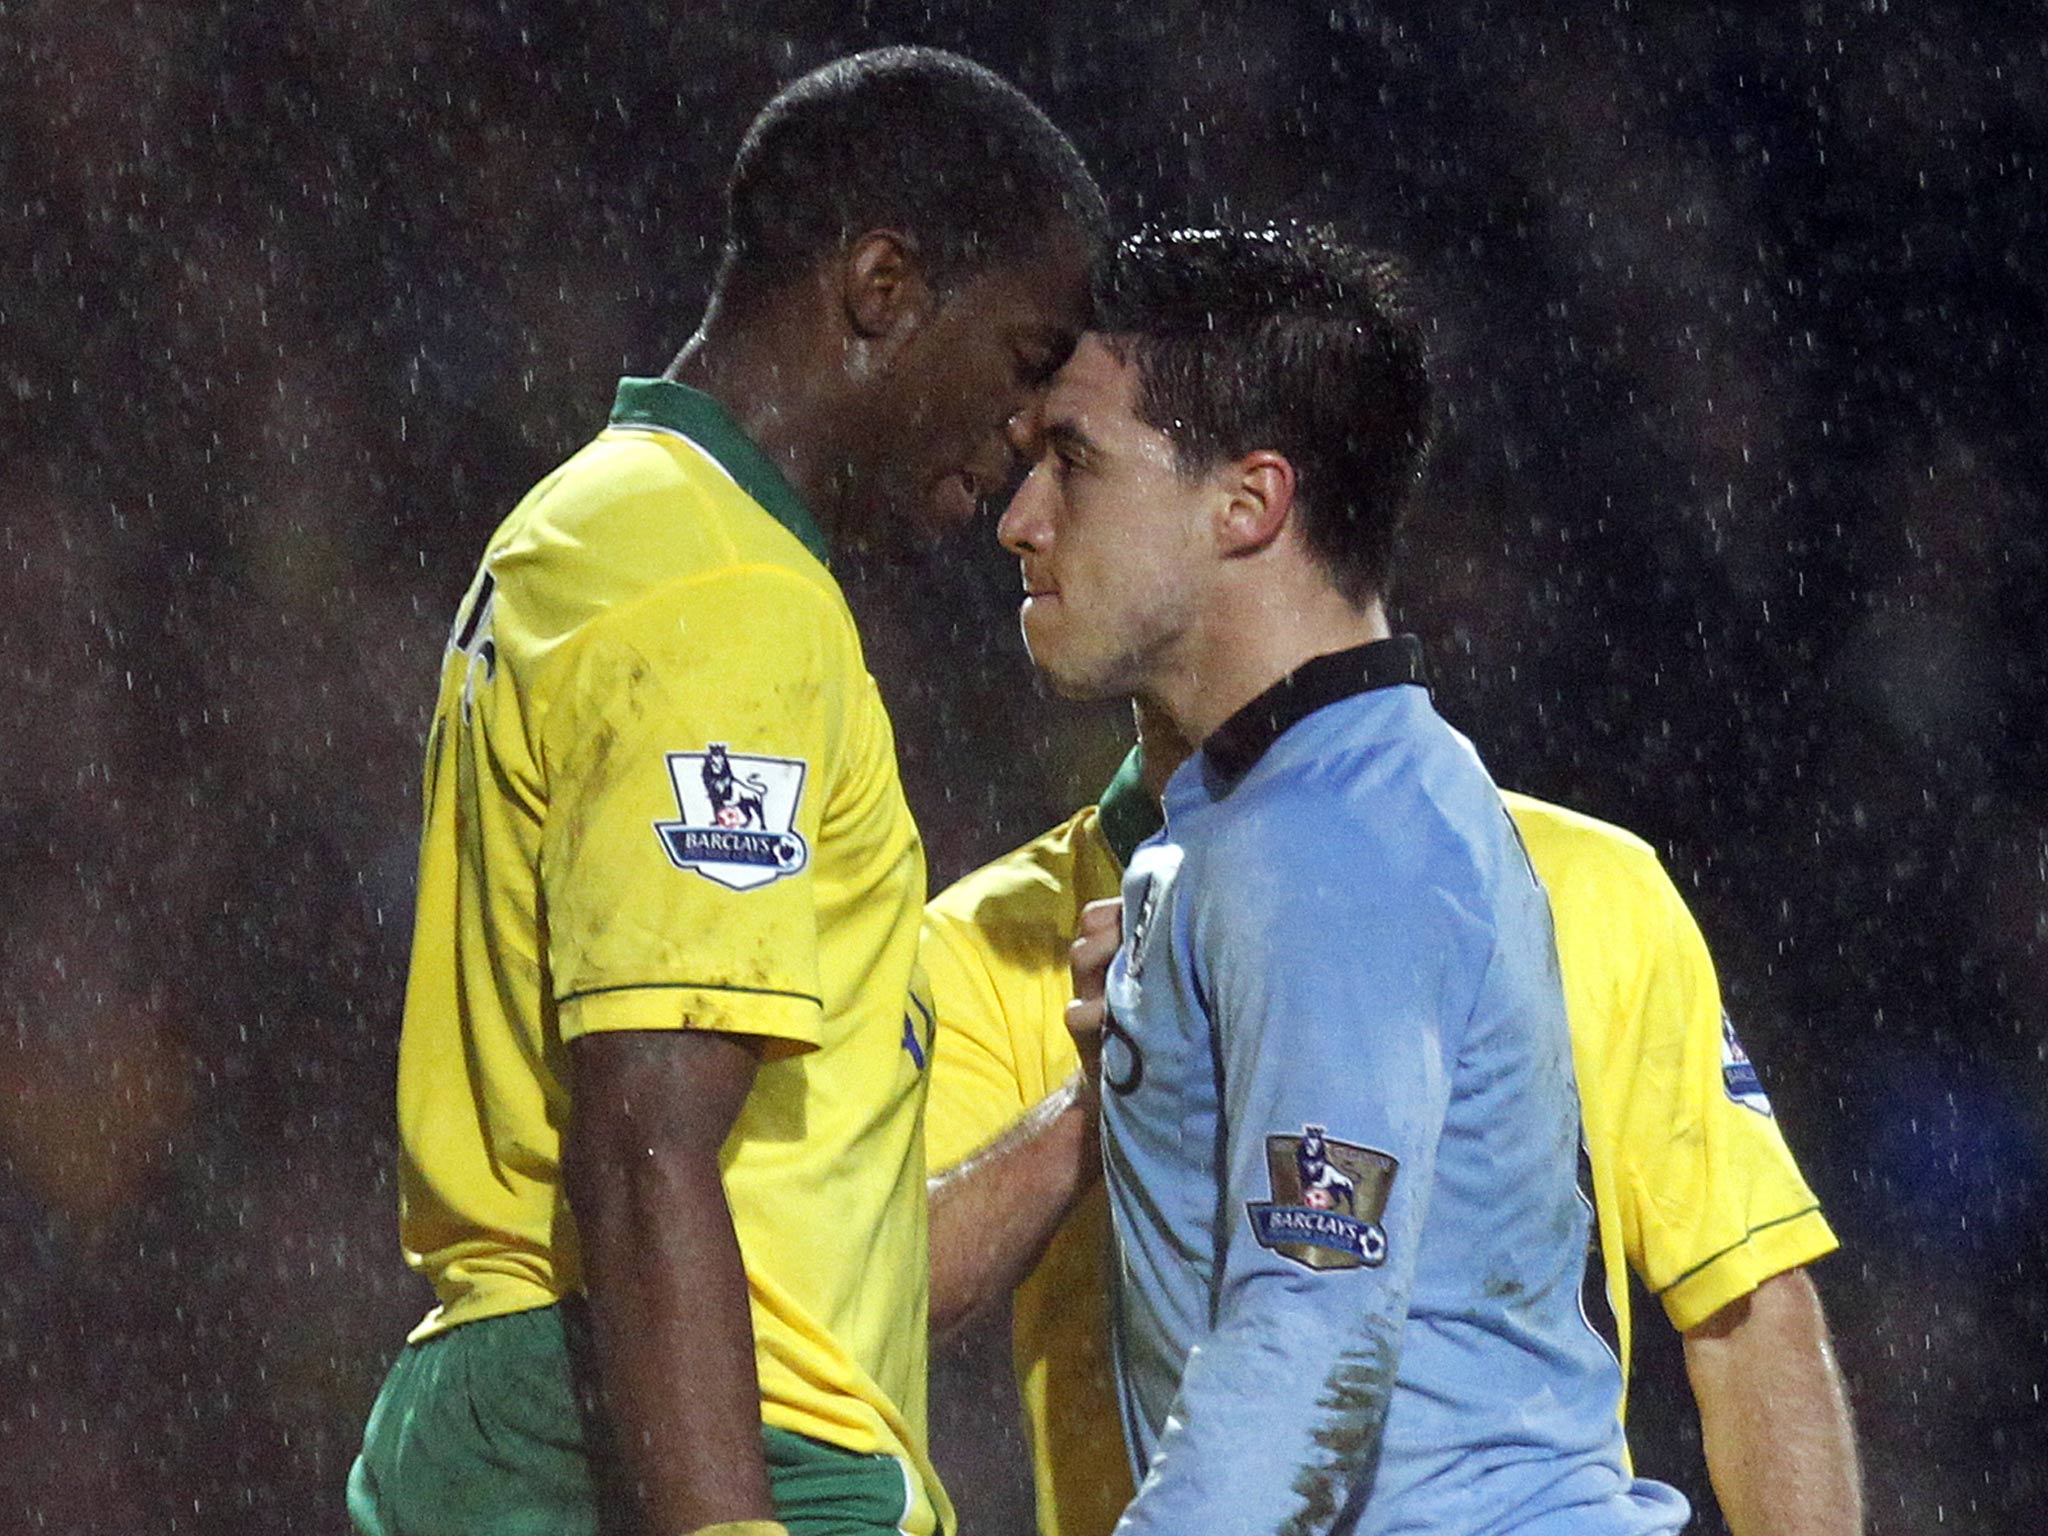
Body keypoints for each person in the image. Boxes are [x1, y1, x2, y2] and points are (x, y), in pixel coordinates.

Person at [347, 47, 1105, 1536]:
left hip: (555, 1413)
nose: (1030, 432)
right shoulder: (720, 589)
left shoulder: (605, 524)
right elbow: (646, 1138)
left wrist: (1092, 1121)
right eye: (1027, 362)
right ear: (882, 287)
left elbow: (802, 1229)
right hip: (703, 1448)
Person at [956, 223, 1691, 1535]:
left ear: (1248, 503)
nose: (1021, 520)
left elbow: (1310, 1335)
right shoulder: (1294, 809)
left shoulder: (1331, 847)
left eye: (1076, 461)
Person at [925, 720, 1864, 1536]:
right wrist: (1112, 1093)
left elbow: (1745, 1314)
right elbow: (899, 1287)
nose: (1025, 553)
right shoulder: (993, 940)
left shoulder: (1586, 886)